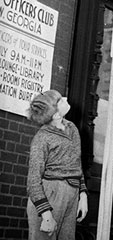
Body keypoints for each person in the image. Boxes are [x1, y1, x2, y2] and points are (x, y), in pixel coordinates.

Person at [26, 89, 88, 239]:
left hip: (71, 193)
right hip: (49, 194)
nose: (66, 98)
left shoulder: (71, 128)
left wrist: (83, 194)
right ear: (55, 115)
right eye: (60, 100)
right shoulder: (42, 138)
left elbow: (76, 164)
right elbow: (33, 180)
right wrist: (46, 215)